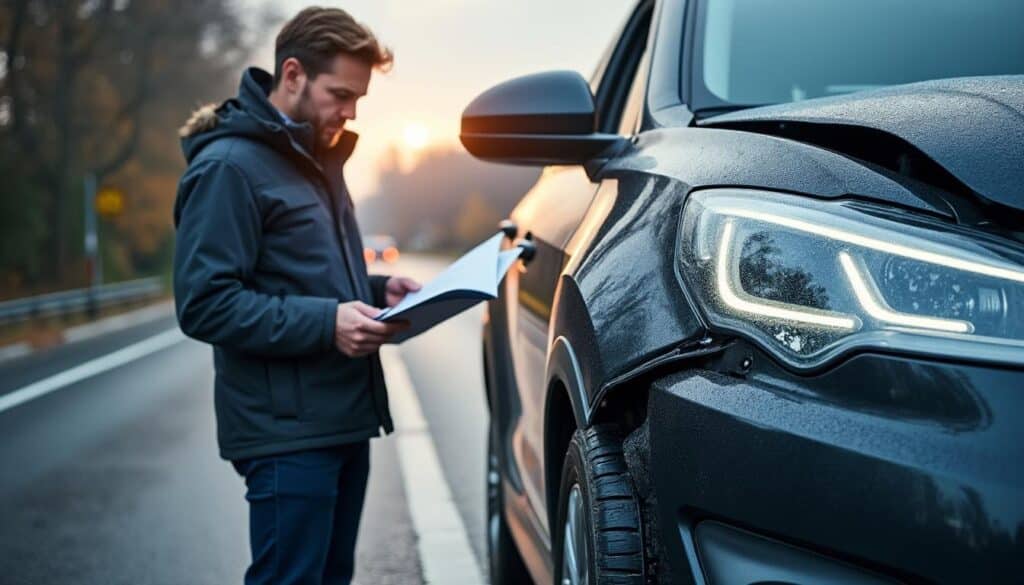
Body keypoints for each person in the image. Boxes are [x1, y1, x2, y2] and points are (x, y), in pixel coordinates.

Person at [172, 7, 420, 585]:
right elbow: (204, 302)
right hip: (286, 432)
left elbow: (301, 272)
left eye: (358, 98)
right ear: (292, 75)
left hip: (340, 418)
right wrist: (328, 322)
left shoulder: (316, 158)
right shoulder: (228, 169)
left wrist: (380, 289)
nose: (351, 111)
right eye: (340, 93)